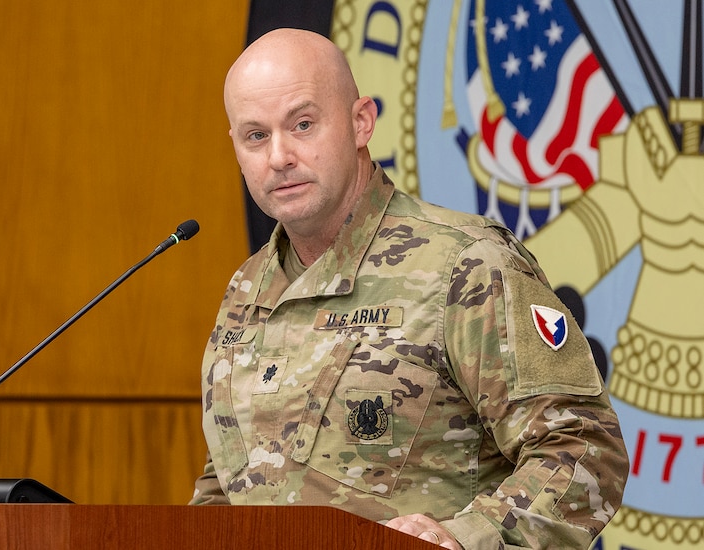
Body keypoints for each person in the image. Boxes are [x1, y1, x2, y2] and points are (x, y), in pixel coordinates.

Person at [190, 28, 628, 550]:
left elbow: (584, 449)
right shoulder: (246, 289)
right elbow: (226, 487)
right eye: (255, 135)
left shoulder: (466, 264)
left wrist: (462, 538)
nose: (279, 155)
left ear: (361, 123)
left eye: (303, 124)